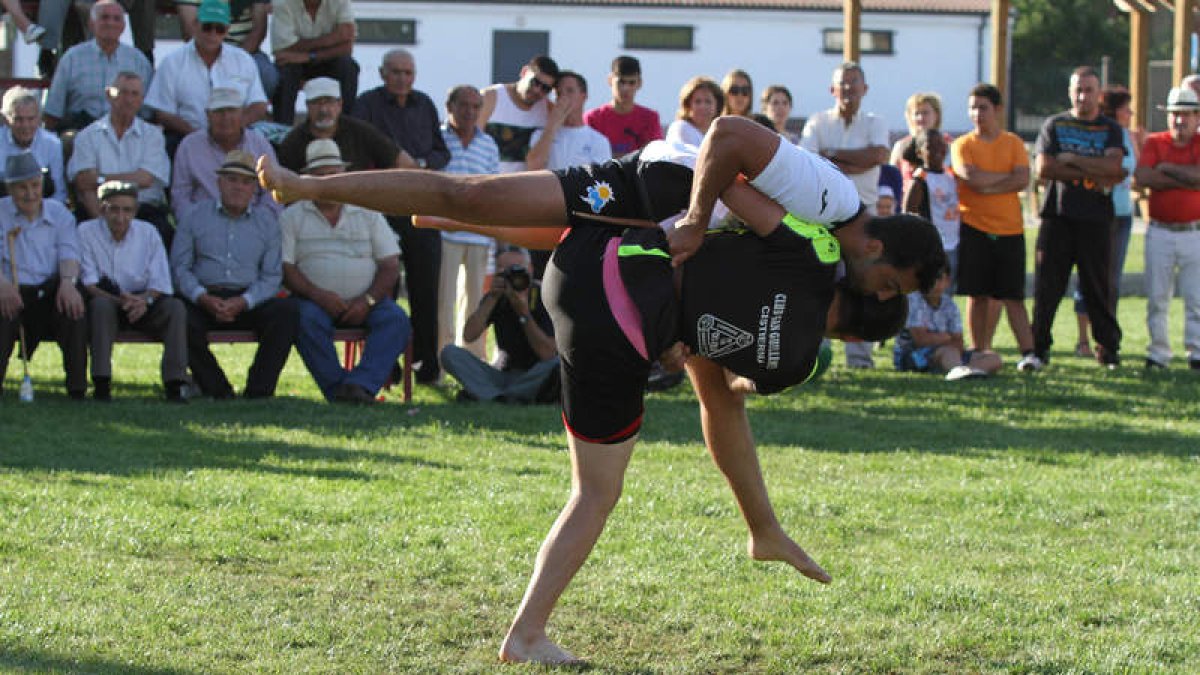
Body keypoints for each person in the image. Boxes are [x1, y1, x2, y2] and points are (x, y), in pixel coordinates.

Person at [257, 115, 946, 664]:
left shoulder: (812, 261)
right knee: (467, 193)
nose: (876, 295)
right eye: (889, 285)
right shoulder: (831, 205)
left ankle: (757, 530)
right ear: (880, 250)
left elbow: (722, 382)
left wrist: (690, 332)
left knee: (486, 213)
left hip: (651, 242)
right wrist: (701, 216)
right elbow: (727, 138)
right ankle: (310, 186)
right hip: (655, 190)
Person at [281, 140, 410, 403]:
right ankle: (339, 389)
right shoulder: (291, 216)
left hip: (368, 300)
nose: (329, 181)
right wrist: (318, 295)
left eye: (334, 175)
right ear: (308, 180)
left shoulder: (368, 213)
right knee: (303, 319)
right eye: (320, 176)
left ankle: (359, 386)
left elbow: (390, 265)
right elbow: (287, 268)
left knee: (396, 320)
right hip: (314, 302)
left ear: (344, 176)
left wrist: (368, 300)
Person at [352, 49, 451, 385]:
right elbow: (359, 149)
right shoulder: (366, 104)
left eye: (408, 73)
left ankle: (426, 367)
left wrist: (421, 166)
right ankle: (385, 367)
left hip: (421, 208)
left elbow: (441, 151)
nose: (402, 79)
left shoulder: (424, 104)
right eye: (396, 72)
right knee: (384, 290)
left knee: (426, 291)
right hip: (382, 207)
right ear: (382, 73)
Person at [170, 150, 298, 399]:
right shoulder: (193, 216)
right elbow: (179, 268)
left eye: (247, 181)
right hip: (204, 296)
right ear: (218, 182)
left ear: (255, 189)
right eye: (231, 179)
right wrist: (202, 297)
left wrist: (244, 301)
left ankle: (259, 390)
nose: (238, 187)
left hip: (249, 299)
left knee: (287, 312)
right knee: (178, 316)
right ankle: (216, 388)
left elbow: (272, 276)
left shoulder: (267, 223)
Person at [1030, 66, 1126, 370]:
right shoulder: (1054, 125)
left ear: (1098, 94)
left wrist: (1071, 160)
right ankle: (1038, 348)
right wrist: (1094, 168)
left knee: (1099, 286)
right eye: (1077, 90)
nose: (1083, 96)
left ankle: (1108, 349)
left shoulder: (1110, 128)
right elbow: (1045, 168)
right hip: (1058, 217)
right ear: (1070, 92)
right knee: (1048, 287)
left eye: (1089, 90)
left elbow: (1115, 170)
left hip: (1096, 220)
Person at [800, 61, 889, 368]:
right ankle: (813, 354)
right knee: (819, 283)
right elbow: (810, 163)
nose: (849, 89)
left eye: (854, 83)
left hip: (865, 220)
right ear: (832, 89)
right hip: (824, 217)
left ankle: (860, 358)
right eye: (843, 83)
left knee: (864, 283)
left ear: (865, 88)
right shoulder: (817, 121)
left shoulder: (875, 122)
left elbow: (878, 155)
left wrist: (831, 155)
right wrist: (853, 162)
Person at [951, 83, 1036, 365]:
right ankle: (979, 350)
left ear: (997, 109)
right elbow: (970, 179)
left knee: (1013, 296)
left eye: (983, 107)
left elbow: (1023, 179)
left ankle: (1028, 353)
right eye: (973, 107)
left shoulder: (1013, 143)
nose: (977, 113)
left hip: (1010, 229)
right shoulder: (963, 145)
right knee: (978, 294)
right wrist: (1002, 180)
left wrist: (986, 183)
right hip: (974, 227)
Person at [79, 181, 188, 402]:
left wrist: (143, 301)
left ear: (135, 211)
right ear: (102, 209)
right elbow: (89, 283)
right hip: (107, 299)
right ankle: (101, 383)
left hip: (144, 301)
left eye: (127, 210)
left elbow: (161, 282)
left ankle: (175, 384)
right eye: (114, 209)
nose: (121, 217)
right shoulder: (86, 232)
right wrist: (121, 301)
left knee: (175, 308)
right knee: (99, 307)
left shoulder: (148, 233)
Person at [0, 153, 87, 399]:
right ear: (10, 188)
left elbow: (69, 255)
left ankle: (78, 388)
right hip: (11, 290)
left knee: (73, 308)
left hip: (50, 291)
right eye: (22, 188)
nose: (30, 194)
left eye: (35, 185)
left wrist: (69, 283)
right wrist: (2, 285)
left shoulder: (60, 214)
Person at [1133, 86, 1200, 370]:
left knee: (1196, 297)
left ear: (1197, 117)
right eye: (1174, 115)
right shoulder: (1154, 142)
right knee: (1157, 296)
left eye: (1185, 114)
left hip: (1193, 231)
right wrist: (1186, 178)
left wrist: (1166, 169)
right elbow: (1144, 176)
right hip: (1159, 230)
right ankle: (1159, 352)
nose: (1179, 121)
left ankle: (1196, 351)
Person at [145, 0, 269, 152]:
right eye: (207, 27)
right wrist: (197, 136)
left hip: (236, 137)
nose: (213, 34)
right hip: (185, 137)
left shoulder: (243, 59)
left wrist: (232, 129)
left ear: (227, 30)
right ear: (196, 24)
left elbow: (259, 105)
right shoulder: (172, 62)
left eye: (219, 29)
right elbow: (163, 113)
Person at [67, 71, 173, 248]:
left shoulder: (153, 136)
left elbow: (145, 179)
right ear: (109, 95)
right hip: (101, 211)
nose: (129, 100)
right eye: (123, 92)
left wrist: (100, 179)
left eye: (134, 94)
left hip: (144, 211)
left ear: (141, 100)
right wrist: (102, 226)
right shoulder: (87, 136)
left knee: (164, 231)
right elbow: (84, 186)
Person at [441, 246, 559, 404]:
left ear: (530, 270)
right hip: (502, 374)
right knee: (449, 353)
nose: (513, 277)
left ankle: (493, 395)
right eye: (506, 271)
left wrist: (523, 313)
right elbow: (469, 336)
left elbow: (548, 354)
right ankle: (504, 397)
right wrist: (491, 299)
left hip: (536, 375)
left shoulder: (543, 296)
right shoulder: (496, 297)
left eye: (519, 270)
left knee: (557, 364)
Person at [1073, 86, 1138, 358]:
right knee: (1089, 276)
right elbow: (1101, 167)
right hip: (1097, 213)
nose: (1131, 112)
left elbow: (1126, 169)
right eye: (1126, 108)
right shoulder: (1099, 132)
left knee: (1111, 281)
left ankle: (1107, 339)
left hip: (1123, 214)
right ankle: (1083, 339)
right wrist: (1105, 169)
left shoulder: (1125, 135)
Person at [438, 85, 499, 361]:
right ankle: (441, 360)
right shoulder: (437, 139)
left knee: (475, 303)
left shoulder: (488, 144)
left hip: (478, 234)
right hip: (443, 232)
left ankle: (473, 363)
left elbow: (493, 188)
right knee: (443, 302)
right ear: (449, 106)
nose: (470, 112)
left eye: (476, 107)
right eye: (464, 105)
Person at [41, 0, 154, 133]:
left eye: (116, 19)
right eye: (104, 17)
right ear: (91, 24)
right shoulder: (72, 58)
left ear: (123, 26)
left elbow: (147, 112)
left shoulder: (138, 61)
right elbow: (53, 111)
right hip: (80, 130)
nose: (110, 23)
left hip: (125, 131)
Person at [172, 88, 282, 220]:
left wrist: (257, 223)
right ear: (207, 115)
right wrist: (195, 225)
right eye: (219, 111)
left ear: (242, 114)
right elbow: (180, 196)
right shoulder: (189, 146)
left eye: (231, 110)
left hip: (253, 222)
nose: (226, 117)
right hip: (203, 223)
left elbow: (273, 191)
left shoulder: (260, 144)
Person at [893, 265, 1001, 381]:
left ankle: (966, 370)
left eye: (938, 278)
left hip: (949, 352)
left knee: (993, 358)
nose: (933, 284)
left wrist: (942, 339)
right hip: (912, 355)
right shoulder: (913, 301)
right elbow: (921, 340)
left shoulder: (949, 305)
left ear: (947, 281)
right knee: (948, 352)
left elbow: (959, 342)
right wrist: (947, 338)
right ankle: (959, 369)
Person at [276, 78, 401, 175]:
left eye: (329, 102)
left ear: (340, 104)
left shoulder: (361, 132)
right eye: (317, 103)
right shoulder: (292, 143)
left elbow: (401, 162)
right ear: (307, 106)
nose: (324, 110)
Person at [271, 0, 359, 125]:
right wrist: (334, 38)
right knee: (285, 71)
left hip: (325, 60)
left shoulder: (340, 2)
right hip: (295, 63)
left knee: (348, 66)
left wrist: (309, 56)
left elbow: (347, 47)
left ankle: (346, 127)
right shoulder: (283, 3)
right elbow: (283, 49)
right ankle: (282, 131)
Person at [174, 0, 277, 99]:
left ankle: (241, 113)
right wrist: (216, 60)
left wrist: (235, 59)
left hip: (246, 50)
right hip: (203, 50)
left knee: (267, 76)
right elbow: (190, 31)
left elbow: (259, 29)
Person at [480, 55, 560, 174]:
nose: (537, 90)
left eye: (545, 88)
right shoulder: (491, 97)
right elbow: (471, 141)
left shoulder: (548, 110)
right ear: (524, 72)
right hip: (487, 183)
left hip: (522, 188)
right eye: (535, 82)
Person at [903, 129, 960, 281]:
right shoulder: (920, 179)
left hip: (953, 243)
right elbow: (908, 213)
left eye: (941, 145)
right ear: (920, 152)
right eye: (930, 147)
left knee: (948, 291)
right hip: (934, 246)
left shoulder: (950, 175)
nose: (937, 150)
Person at [526, 71, 613, 171]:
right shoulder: (541, 135)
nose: (563, 97)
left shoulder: (598, 141)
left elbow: (602, 180)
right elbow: (533, 167)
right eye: (559, 93)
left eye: (570, 91)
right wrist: (552, 124)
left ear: (584, 96)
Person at [583, 55, 663, 156]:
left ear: (639, 83)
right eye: (621, 82)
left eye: (631, 83)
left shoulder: (650, 118)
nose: (626, 88)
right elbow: (587, 156)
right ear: (610, 80)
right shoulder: (592, 118)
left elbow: (654, 157)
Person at [0, 87, 67, 205]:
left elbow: (59, 192)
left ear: (39, 119)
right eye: (18, 119)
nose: (26, 126)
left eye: (31, 119)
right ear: (6, 120)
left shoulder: (52, 144)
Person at [890, 92, 946, 189]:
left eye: (925, 113)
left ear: (936, 115)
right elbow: (891, 179)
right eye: (916, 113)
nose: (920, 118)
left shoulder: (949, 144)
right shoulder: (901, 146)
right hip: (910, 200)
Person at [664, 76, 723, 149]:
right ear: (687, 106)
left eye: (708, 102)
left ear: (717, 106)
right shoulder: (681, 128)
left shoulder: (722, 133)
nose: (703, 107)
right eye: (697, 102)